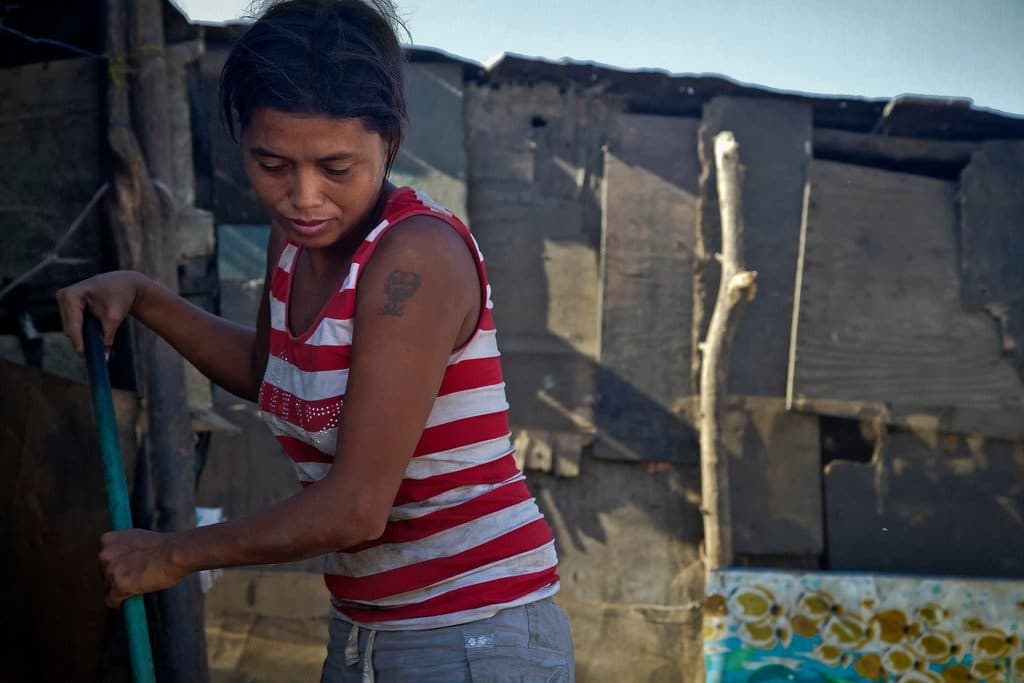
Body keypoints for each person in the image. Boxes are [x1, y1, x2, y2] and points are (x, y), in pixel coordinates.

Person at [56, 1, 574, 680]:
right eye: (272, 164)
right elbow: (271, 371)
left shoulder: (413, 258)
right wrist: (145, 296)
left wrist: (174, 552)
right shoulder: (299, 243)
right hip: (367, 628)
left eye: (336, 168)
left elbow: (355, 507)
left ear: (388, 141)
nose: (303, 197)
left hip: (473, 633)